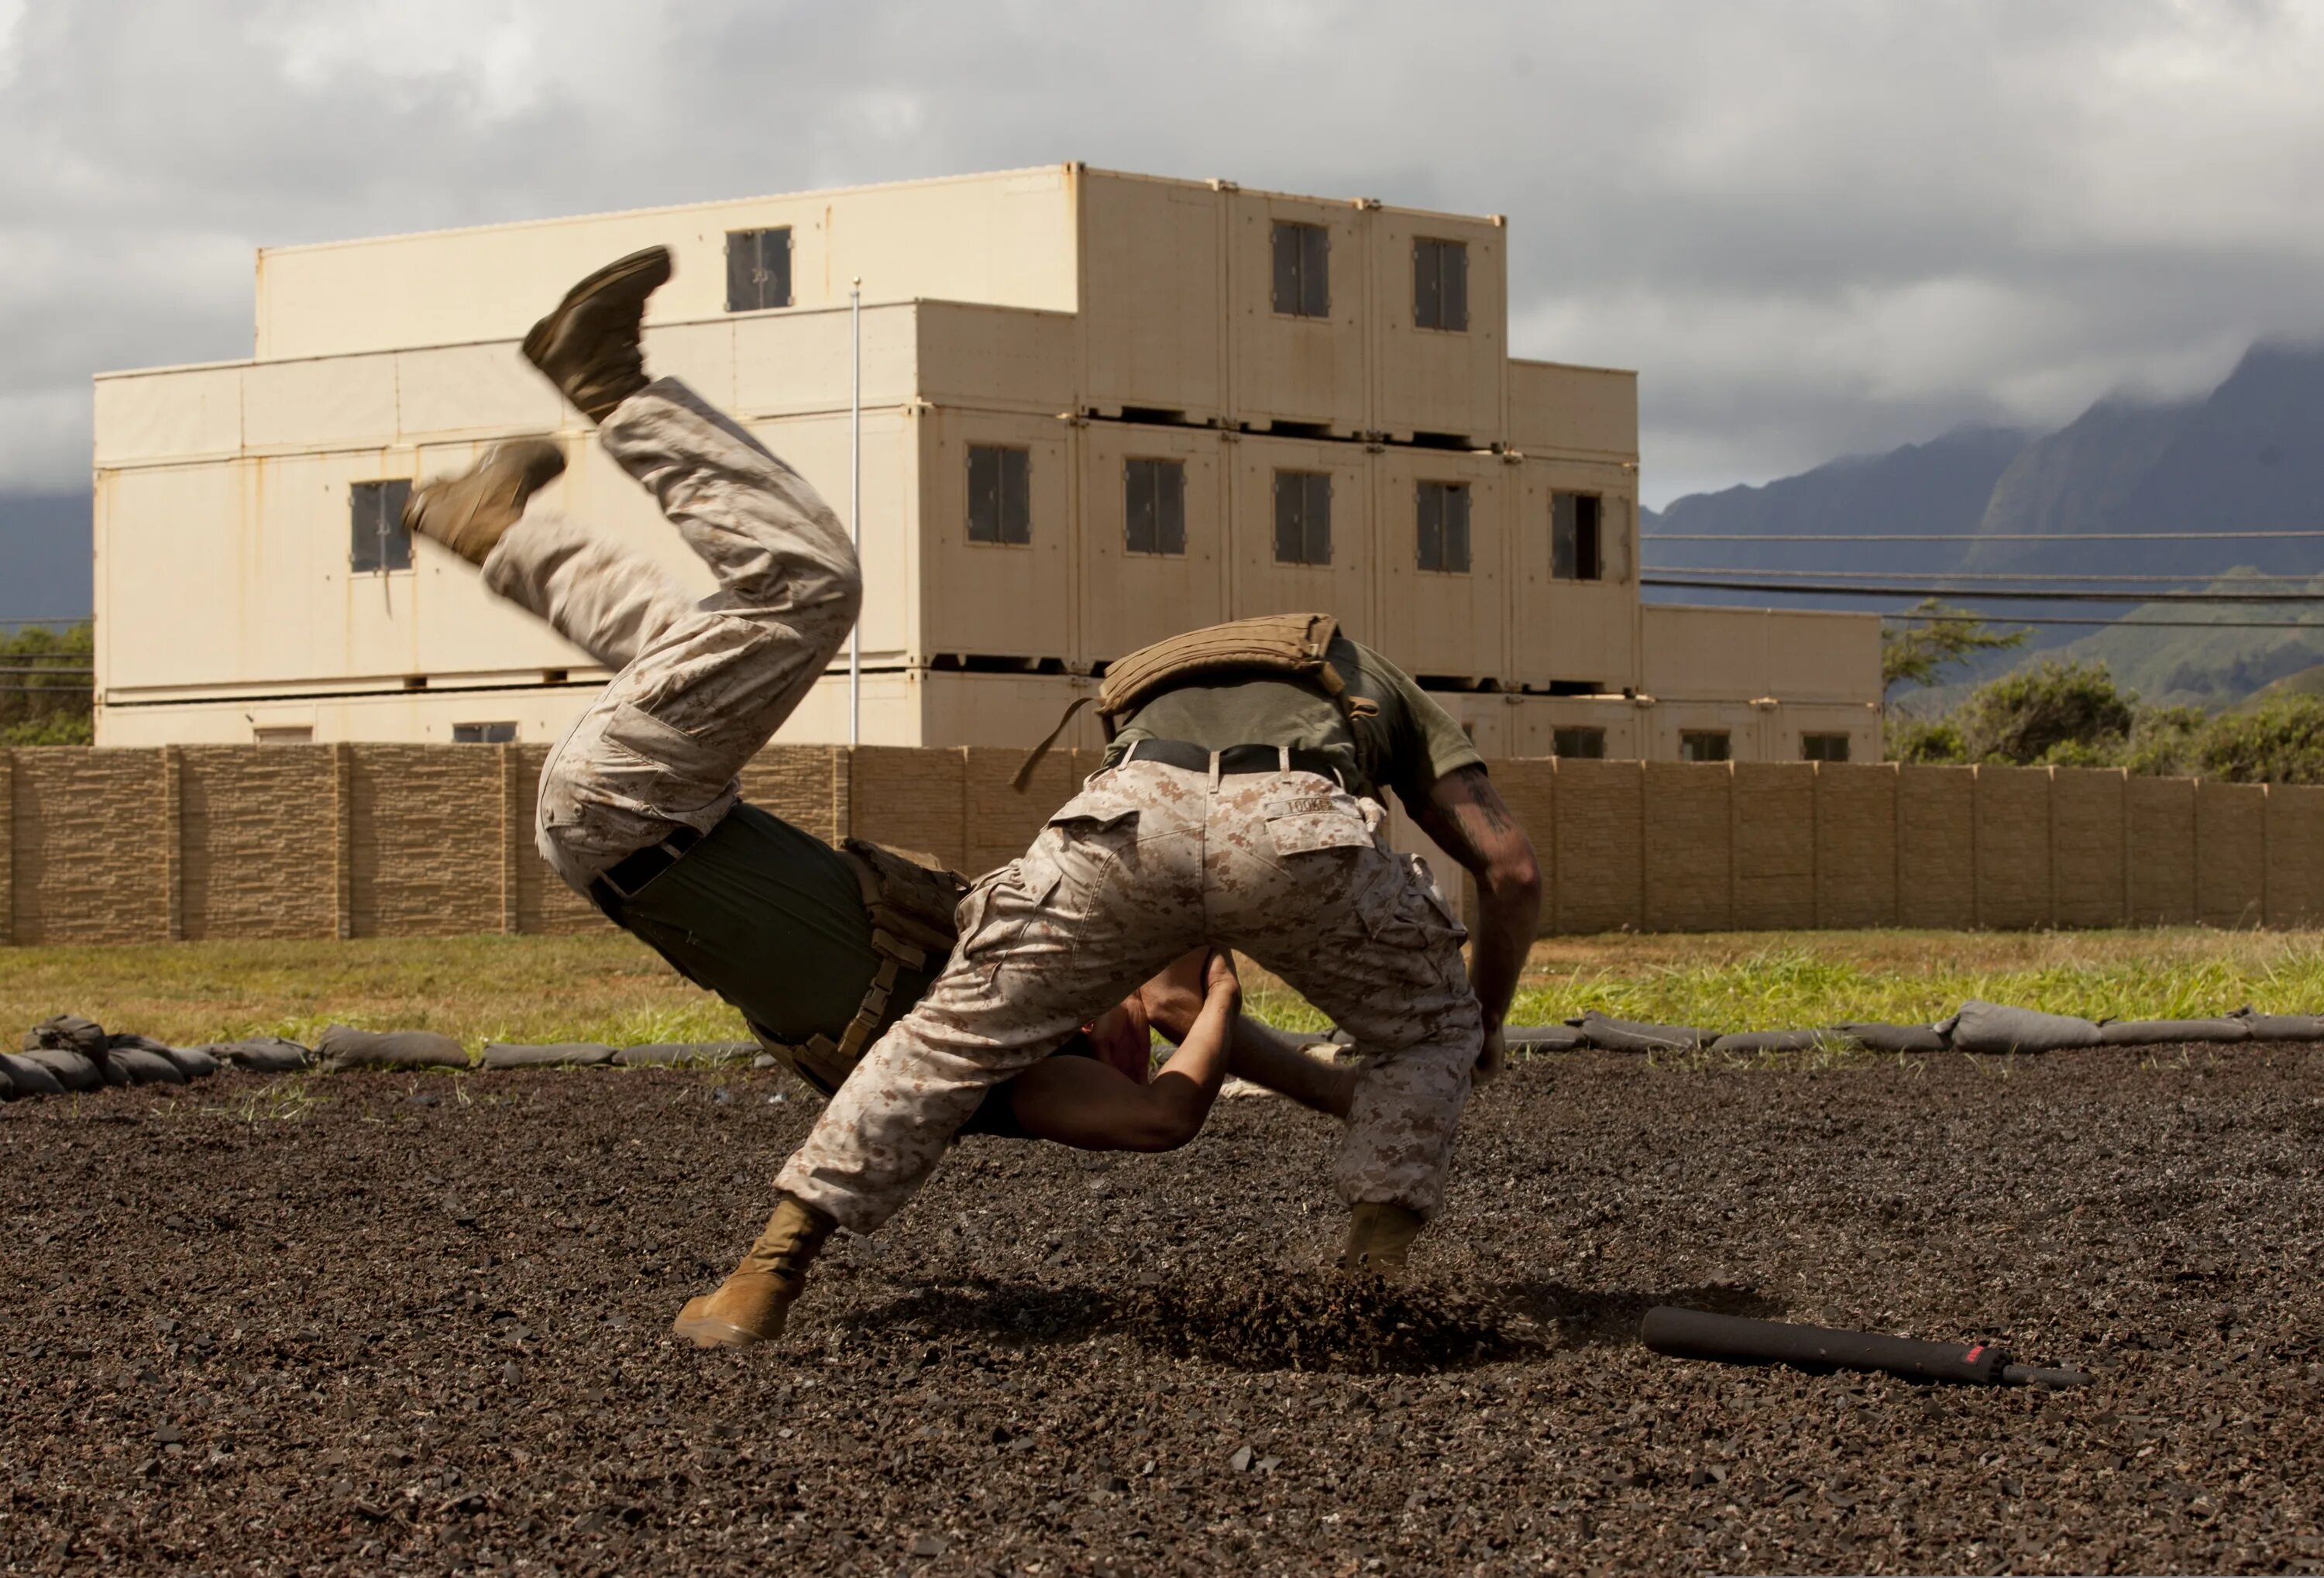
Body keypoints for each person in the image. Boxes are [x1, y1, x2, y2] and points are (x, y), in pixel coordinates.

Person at [399, 248, 1318, 1343]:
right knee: (680, 636)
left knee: (809, 586)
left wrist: (1212, 998)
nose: (1131, 1010)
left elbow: (1169, 1112)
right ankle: (494, 529)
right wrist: (1361, 1090)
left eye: (1132, 1029)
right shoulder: (1015, 982)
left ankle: (605, 381)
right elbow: (1152, 998)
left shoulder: (1015, 1074)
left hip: (632, 810)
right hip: (658, 816)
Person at [700, 609, 1544, 1346]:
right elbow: (1511, 872)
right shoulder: (1374, 678)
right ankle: (1374, 1281)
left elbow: (1175, 985)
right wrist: (1485, 1022)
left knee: (946, 1036)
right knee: (1431, 1030)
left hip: (1129, 815)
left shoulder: (1149, 699)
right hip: (1299, 818)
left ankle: (764, 1279)